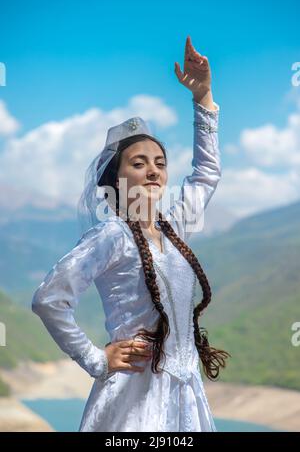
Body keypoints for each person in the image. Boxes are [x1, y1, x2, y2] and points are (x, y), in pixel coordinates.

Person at [31, 35, 230, 432]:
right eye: (139, 163)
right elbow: (49, 299)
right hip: (133, 400)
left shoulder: (176, 228)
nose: (154, 170)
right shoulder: (111, 237)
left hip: (186, 397)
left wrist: (202, 98)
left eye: (160, 162)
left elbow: (207, 174)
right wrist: (95, 358)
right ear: (116, 180)